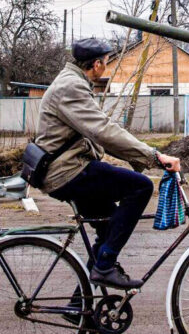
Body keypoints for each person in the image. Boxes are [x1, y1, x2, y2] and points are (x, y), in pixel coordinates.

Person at [34, 37, 180, 290]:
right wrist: (154, 156)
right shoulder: (71, 87)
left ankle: (82, 307)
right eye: (106, 62)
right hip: (68, 172)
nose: (107, 66)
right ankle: (104, 267)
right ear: (97, 63)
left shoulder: (73, 82)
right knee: (140, 187)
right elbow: (103, 130)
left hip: (67, 168)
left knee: (110, 226)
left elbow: (97, 133)